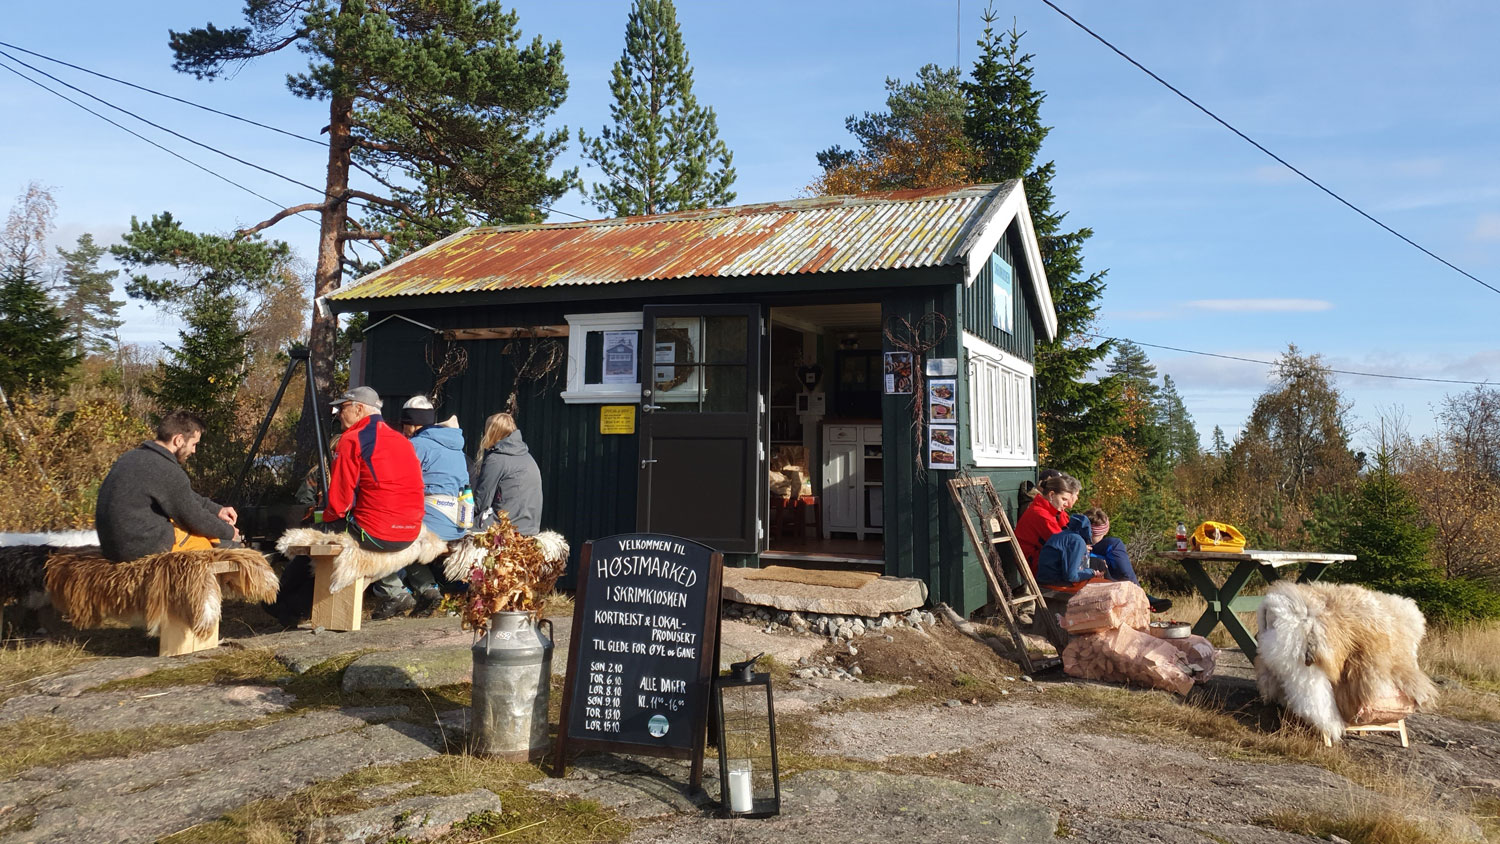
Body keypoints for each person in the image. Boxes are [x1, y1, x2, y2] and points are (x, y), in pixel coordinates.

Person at [323, 386, 426, 618]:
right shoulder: (403, 441)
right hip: (411, 533)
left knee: (324, 535)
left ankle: (327, 608)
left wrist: (323, 520)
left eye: (342, 407)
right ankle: (398, 590)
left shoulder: (351, 440)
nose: (338, 413)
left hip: (377, 535)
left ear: (359, 409)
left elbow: (339, 502)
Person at [95, 410, 239, 562]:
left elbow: (182, 495)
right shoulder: (166, 469)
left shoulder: (131, 457)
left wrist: (217, 510)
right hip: (142, 548)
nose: (194, 451)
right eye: (194, 444)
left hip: (113, 547)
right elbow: (194, 518)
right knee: (223, 545)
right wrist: (229, 532)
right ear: (178, 440)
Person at [391, 395, 469, 614]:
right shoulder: (456, 448)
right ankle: (439, 591)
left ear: (411, 424)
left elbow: (398, 482)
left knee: (397, 539)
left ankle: (427, 590)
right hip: (458, 521)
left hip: (431, 520)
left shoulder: (414, 445)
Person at [1081, 508, 1173, 614]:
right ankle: (1141, 595)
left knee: (1110, 555)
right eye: (1096, 534)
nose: (1097, 537)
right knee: (1114, 544)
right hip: (1086, 570)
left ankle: (1140, 594)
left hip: (1099, 573)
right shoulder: (1079, 544)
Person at [471, 412, 543, 536]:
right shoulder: (528, 457)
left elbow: (481, 502)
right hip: (530, 528)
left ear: (491, 432)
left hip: (503, 527)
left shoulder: (496, 459)